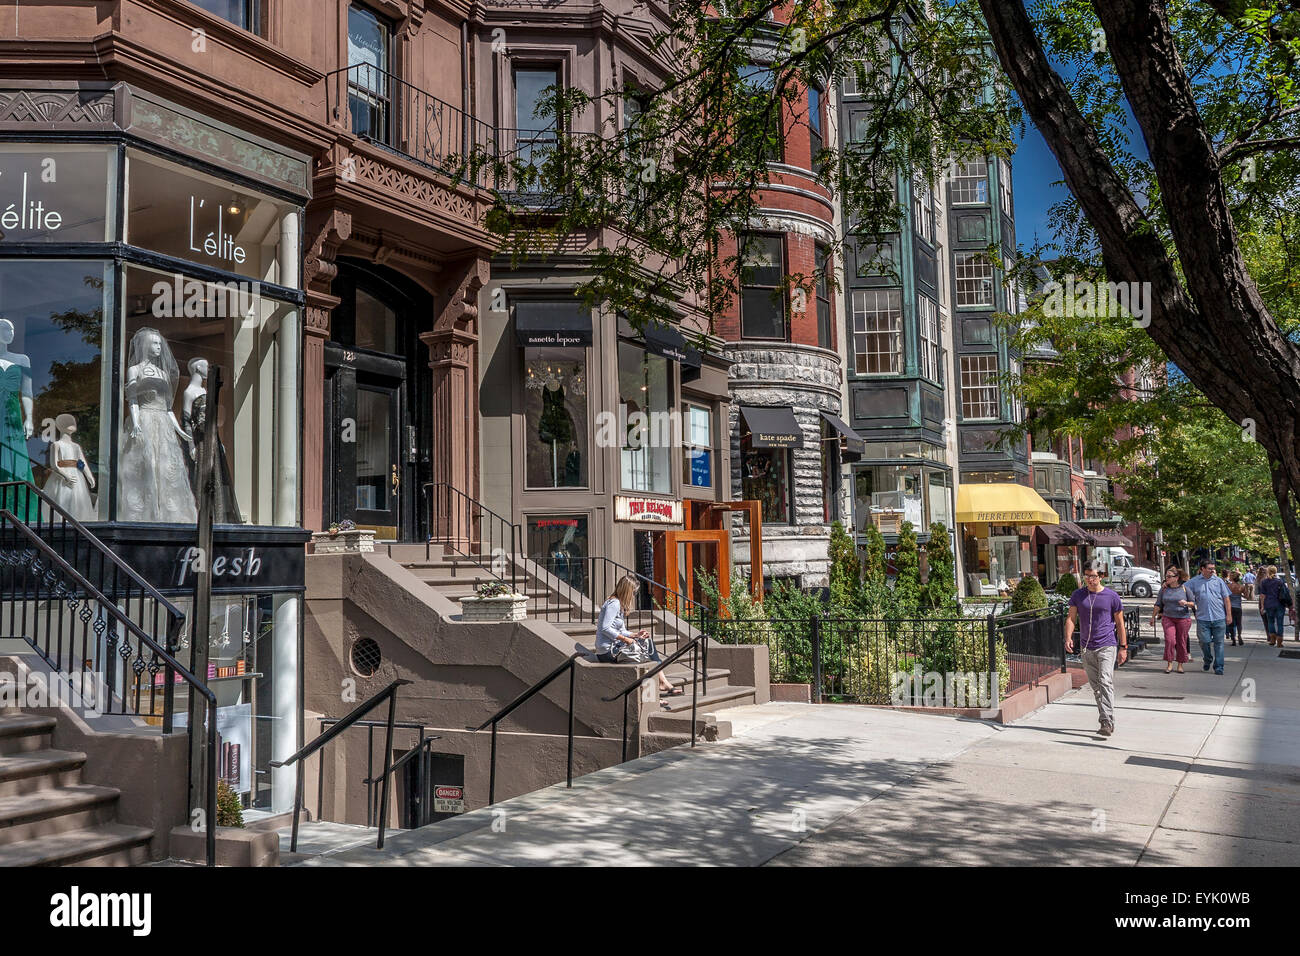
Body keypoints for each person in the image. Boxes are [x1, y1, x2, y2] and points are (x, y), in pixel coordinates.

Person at [1065, 561, 1127, 737]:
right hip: (1086, 647)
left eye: (1093, 576)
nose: (1089, 580)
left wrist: (1123, 647)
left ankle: (1106, 720)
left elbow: (1120, 623)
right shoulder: (1078, 595)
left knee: (1105, 680)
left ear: (1101, 576)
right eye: (1087, 576)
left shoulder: (1111, 596)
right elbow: (1071, 618)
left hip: (1107, 645)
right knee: (1096, 687)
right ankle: (1105, 716)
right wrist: (1068, 637)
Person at [596, 574, 678, 696]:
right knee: (643, 657)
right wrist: (626, 639)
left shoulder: (619, 605)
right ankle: (657, 691)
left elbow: (621, 630)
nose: (634, 596)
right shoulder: (614, 604)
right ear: (627, 591)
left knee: (647, 642)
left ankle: (663, 682)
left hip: (615, 647)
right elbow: (605, 628)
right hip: (607, 651)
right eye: (633, 593)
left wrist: (635, 634)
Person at [1185, 559, 1232, 674]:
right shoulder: (1194, 582)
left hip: (1219, 617)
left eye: (1213, 568)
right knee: (1204, 642)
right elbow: (1181, 589)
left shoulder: (1219, 581)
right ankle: (1208, 658)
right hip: (1202, 618)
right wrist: (1167, 586)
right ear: (1202, 569)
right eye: (1210, 568)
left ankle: (1219, 667)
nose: (1213, 570)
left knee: (1219, 644)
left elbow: (1226, 599)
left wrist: (1229, 615)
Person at [1150, 567, 1192, 674]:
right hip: (1168, 617)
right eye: (1166, 576)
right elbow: (1158, 604)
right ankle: (1169, 664)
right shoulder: (1164, 589)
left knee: (1181, 641)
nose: (1166, 578)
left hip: (1183, 618)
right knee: (1170, 640)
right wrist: (1153, 617)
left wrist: (1186, 603)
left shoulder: (1185, 588)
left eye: (1169, 576)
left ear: (1176, 578)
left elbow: (1193, 603)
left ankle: (1180, 664)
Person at [1257, 564, 1289, 647]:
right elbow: (1285, 593)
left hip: (1269, 604)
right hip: (1279, 604)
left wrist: (1263, 606)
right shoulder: (1280, 582)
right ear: (1275, 571)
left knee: (1270, 622)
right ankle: (1279, 641)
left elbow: (1262, 595)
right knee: (1280, 623)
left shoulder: (1264, 582)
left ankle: (1272, 639)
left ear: (1268, 571)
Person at [1225, 570, 1245, 646]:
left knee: (1231, 624)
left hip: (1230, 607)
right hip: (1238, 607)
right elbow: (1247, 596)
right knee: (1239, 623)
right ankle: (1239, 635)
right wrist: (1240, 595)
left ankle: (1233, 639)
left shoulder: (1227, 586)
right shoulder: (1241, 587)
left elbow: (1224, 596)